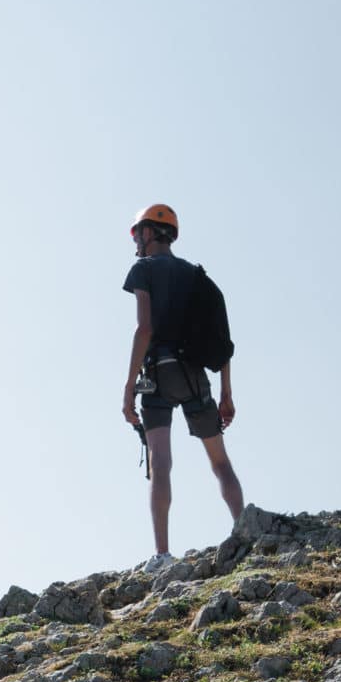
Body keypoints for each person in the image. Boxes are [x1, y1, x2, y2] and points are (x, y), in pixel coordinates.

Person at [120, 203, 244, 565]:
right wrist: (226, 394)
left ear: (148, 232)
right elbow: (221, 339)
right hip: (195, 375)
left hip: (159, 373)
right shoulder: (197, 276)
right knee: (220, 463)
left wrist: (129, 387)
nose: (135, 242)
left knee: (161, 463)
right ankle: (244, 530)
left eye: (135, 233)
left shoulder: (142, 269)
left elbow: (144, 329)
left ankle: (161, 554)